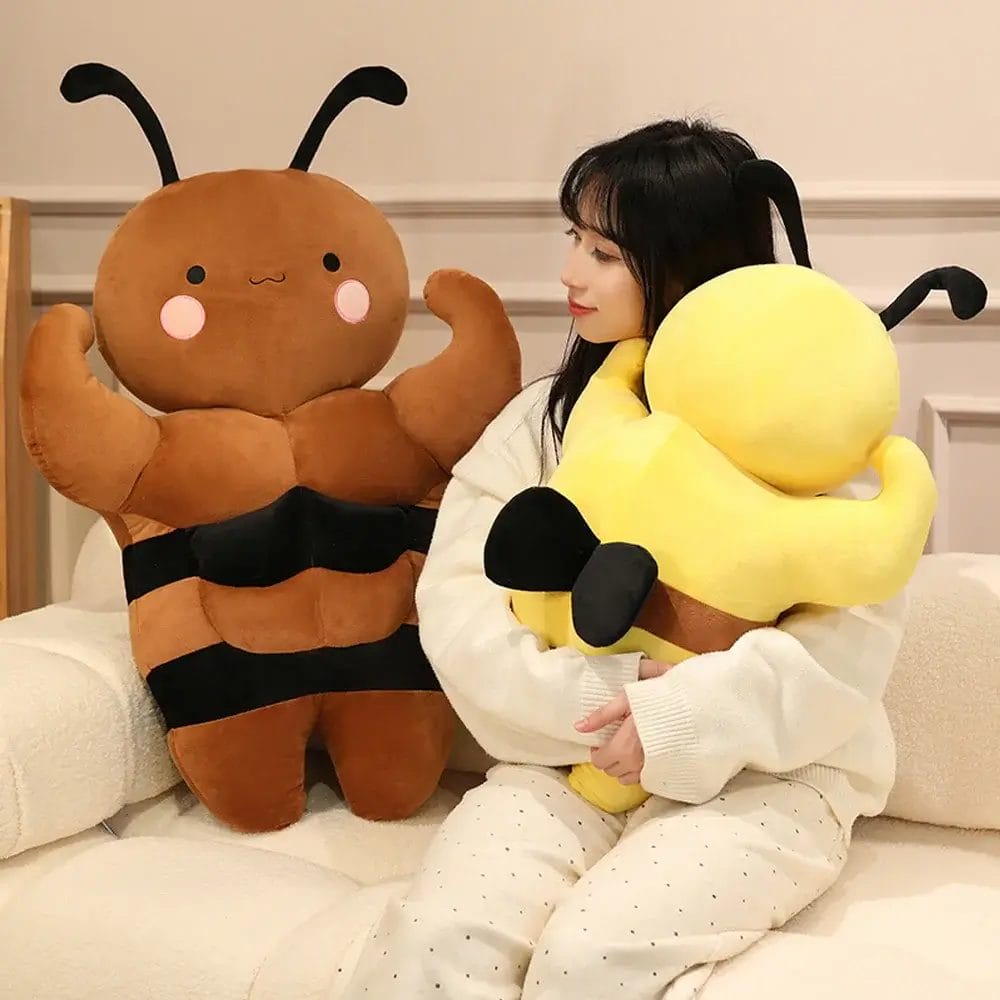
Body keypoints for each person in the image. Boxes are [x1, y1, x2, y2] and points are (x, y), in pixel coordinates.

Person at [341, 118, 905, 999]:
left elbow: (849, 647)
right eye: (574, 238)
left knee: (591, 955)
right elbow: (457, 603)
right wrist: (599, 698)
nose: (571, 272)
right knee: (434, 940)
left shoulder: (805, 425)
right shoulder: (545, 422)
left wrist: (678, 716)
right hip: (562, 763)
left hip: (771, 780)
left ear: (688, 263)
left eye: (604, 252)